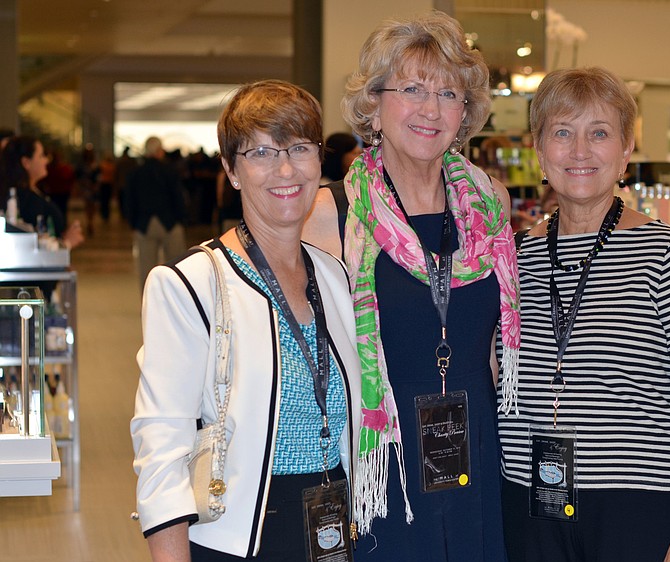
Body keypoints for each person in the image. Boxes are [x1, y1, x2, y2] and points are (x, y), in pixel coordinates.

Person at [303, 11, 519, 561]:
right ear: (373, 106)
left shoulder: (489, 205)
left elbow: (493, 347)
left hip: (475, 446)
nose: (431, 109)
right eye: (412, 90)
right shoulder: (333, 216)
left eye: (448, 94)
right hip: (384, 459)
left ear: (465, 113)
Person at [498, 67, 670, 562]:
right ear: (539, 151)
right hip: (527, 501)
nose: (580, 151)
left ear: (626, 151)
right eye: (563, 132)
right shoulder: (512, 258)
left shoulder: (665, 255)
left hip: (636, 508)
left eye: (600, 133)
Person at [131, 79, 362, 561]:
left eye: (299, 148)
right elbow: (161, 450)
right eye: (260, 153)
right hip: (239, 538)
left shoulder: (333, 277)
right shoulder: (191, 284)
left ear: (319, 161)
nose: (285, 168)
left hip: (330, 527)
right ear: (231, 171)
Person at [123, 136, 188, 290]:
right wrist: (182, 219)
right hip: (170, 223)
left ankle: (149, 302)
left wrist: (133, 223)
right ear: (160, 151)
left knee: (146, 271)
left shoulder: (136, 173)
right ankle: (176, 300)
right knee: (176, 269)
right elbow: (178, 197)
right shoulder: (170, 171)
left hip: (144, 224)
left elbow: (129, 200)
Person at [1, 135, 84, 249]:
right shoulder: (20, 199)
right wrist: (66, 243)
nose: (46, 160)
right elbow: (30, 245)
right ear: (26, 162)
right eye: (41, 156)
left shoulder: (31, 192)